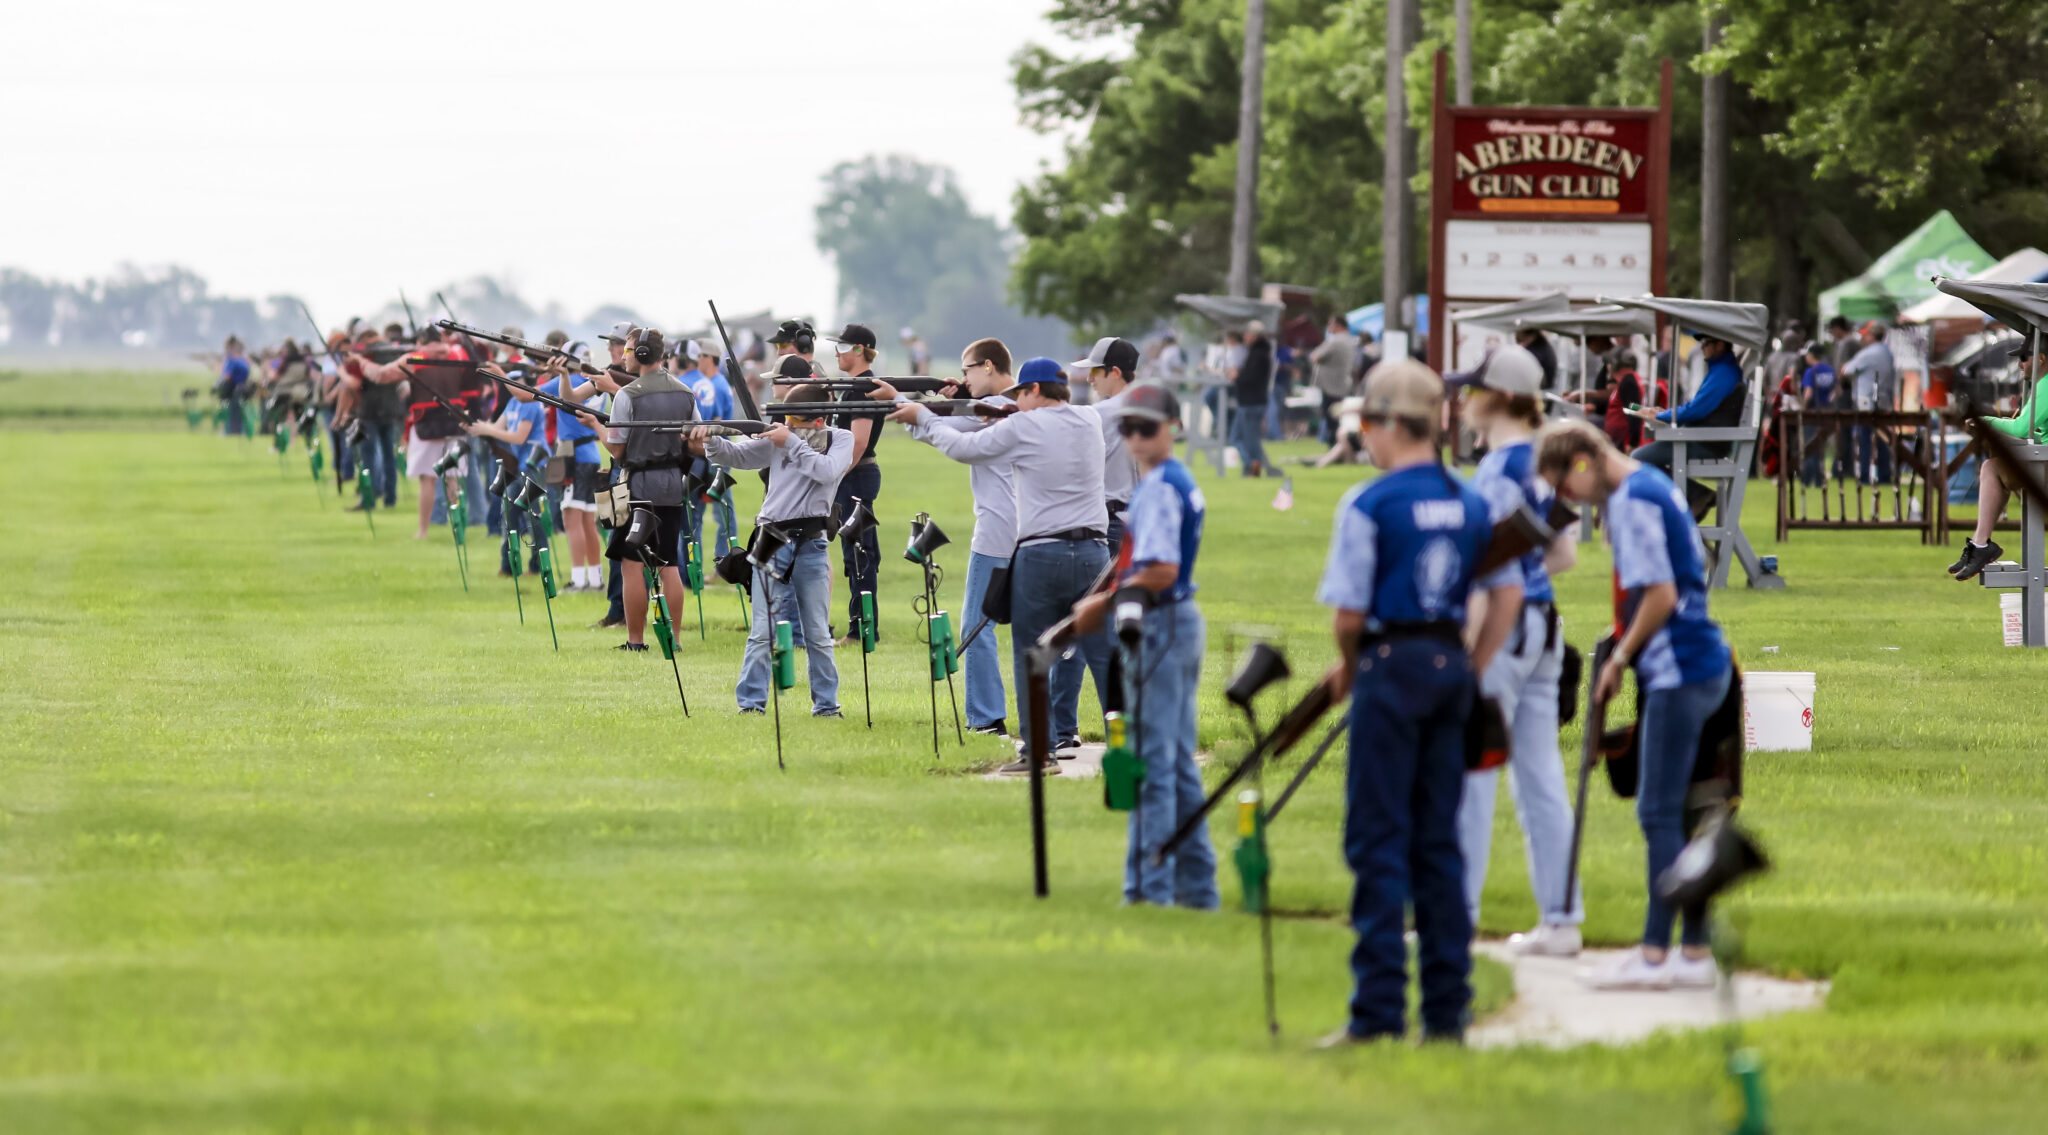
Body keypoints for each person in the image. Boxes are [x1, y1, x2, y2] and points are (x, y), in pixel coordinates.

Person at [1314, 358, 1523, 1048]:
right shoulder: (1472, 500)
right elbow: (1508, 595)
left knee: (1377, 838)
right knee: (1439, 842)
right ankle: (1446, 1011)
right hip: (1449, 668)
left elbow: (1349, 617)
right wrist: (1471, 665)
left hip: (1389, 665)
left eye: (1366, 426)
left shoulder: (1370, 503)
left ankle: (1377, 1011)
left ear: (1386, 424)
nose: (1364, 439)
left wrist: (1354, 669)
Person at [1536, 419, 1732, 991]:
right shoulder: (1653, 483)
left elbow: (1660, 595)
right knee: (1684, 815)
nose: (1569, 501)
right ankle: (1693, 951)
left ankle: (1654, 953)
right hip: (1703, 660)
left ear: (1582, 463)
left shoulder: (1630, 502)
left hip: (1678, 669)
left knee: (1659, 813)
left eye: (1564, 486)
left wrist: (1621, 658)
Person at [887, 356, 1108, 773]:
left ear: (1035, 390)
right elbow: (1033, 424)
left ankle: (1039, 753)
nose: (1017, 401)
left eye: (1021, 394)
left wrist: (923, 416)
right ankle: (1132, 746)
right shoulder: (1089, 419)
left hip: (1042, 552)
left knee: (1032, 654)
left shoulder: (1023, 426)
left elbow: (963, 448)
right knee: (1102, 654)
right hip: (1094, 553)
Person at [1450, 345, 1584, 955]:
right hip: (1544, 625)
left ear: (1499, 397)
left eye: (1473, 389)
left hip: (1504, 629)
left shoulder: (1497, 471)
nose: (1463, 400)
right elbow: (1563, 554)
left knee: (1474, 775)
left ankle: (1454, 915)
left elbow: (1490, 573)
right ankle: (1562, 918)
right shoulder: (1545, 460)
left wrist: (1468, 647)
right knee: (1540, 778)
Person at [1068, 384, 1216, 908]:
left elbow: (1161, 570)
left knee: (1150, 763)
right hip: (1177, 621)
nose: (1135, 438)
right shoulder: (1176, 479)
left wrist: (1102, 606)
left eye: (1146, 427)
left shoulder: (1157, 488)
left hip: (1160, 623)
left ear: (1173, 426)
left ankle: (1148, 893)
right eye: (1128, 428)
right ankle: (1197, 890)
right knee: (1175, 762)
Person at [692, 383, 854, 717]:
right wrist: (711, 439)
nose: (789, 424)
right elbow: (736, 456)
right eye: (787, 419)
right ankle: (751, 704)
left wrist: (790, 442)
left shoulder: (839, 439)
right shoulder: (781, 438)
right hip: (771, 538)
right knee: (762, 630)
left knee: (817, 632)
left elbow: (826, 472)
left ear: (819, 420)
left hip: (812, 542)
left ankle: (827, 706)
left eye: (795, 420)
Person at [887, 338, 1018, 735]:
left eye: (967, 370)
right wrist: (951, 402)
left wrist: (903, 402)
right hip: (1030, 530)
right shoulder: (1017, 407)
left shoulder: (997, 409)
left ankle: (986, 718)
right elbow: (941, 429)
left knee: (976, 627)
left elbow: (948, 437)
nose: (964, 377)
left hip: (996, 532)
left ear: (989, 366)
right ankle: (1055, 726)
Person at [602, 328, 696, 652]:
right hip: (672, 485)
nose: (624, 356)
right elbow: (695, 439)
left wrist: (597, 428)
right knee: (668, 564)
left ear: (641, 354)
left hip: (639, 485)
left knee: (632, 564)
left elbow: (617, 450)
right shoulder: (686, 393)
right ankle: (675, 640)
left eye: (628, 350)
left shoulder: (627, 395)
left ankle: (636, 641)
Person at [1949, 339, 2048, 581]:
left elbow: (2021, 428)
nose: (2019, 364)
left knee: (1991, 468)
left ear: (2042, 358)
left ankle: (1981, 545)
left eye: (2023, 358)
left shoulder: (2046, 385)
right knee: (1995, 468)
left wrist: (1986, 421)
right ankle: (1980, 544)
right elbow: (2034, 432)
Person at [1623, 333, 1747, 517]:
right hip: (1704, 438)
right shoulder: (1723, 370)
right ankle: (1695, 494)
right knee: (1642, 458)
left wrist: (1661, 415)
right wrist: (1663, 414)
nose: (1701, 348)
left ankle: (1695, 494)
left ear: (1720, 344)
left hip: (1706, 442)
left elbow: (1695, 410)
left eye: (1706, 343)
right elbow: (1696, 407)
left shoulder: (1723, 373)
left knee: (1638, 458)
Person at [827, 323, 886, 645]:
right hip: (854, 475)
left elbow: (858, 442)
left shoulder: (862, 388)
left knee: (860, 555)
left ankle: (862, 631)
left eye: (843, 347)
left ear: (859, 350)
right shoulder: (856, 387)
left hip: (856, 475)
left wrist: (833, 473)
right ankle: (861, 628)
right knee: (857, 554)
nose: (837, 353)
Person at [537, 342, 607, 592]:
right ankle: (596, 578)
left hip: (574, 456)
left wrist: (504, 375)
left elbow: (525, 394)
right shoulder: (594, 382)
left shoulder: (567, 382)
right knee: (587, 521)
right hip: (591, 454)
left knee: (571, 519)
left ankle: (578, 580)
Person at [685, 341, 738, 559]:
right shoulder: (715, 383)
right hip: (713, 453)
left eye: (699, 356)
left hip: (715, 455)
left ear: (709, 358)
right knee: (719, 509)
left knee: (722, 510)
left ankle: (726, 559)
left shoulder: (715, 385)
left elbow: (716, 422)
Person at [1844, 321, 1898, 484]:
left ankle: (1864, 475)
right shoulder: (1888, 353)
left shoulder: (1867, 353)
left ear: (1872, 336)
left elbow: (1847, 370)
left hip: (1866, 402)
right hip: (1884, 401)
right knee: (1883, 439)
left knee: (1864, 440)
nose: (1863, 338)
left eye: (1865, 335)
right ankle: (1885, 475)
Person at [1310, 314, 1360, 446]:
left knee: (1332, 419)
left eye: (1330, 324)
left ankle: (1335, 446)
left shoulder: (1334, 341)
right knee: (1342, 418)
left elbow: (1316, 356)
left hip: (1331, 386)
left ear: (1338, 326)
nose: (1328, 327)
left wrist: (1314, 354)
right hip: (1344, 384)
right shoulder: (1351, 340)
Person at [1232, 321, 1273, 477]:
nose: (1244, 336)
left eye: (1247, 333)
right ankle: (1250, 464)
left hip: (1252, 402)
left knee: (1249, 438)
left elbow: (1251, 378)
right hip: (1248, 402)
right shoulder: (1257, 352)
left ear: (1254, 335)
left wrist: (1237, 376)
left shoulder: (1258, 354)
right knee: (1237, 437)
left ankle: (1253, 465)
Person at [1797, 341, 1839, 487]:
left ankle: (1807, 478)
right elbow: (1837, 391)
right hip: (1826, 411)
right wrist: (1828, 400)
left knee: (1810, 445)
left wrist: (1803, 409)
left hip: (1812, 412)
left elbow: (1808, 393)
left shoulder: (1810, 371)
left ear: (1811, 355)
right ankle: (1819, 479)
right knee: (1821, 445)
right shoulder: (1830, 370)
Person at [218, 337, 252, 437]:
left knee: (232, 411)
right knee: (240, 411)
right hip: (243, 389)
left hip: (234, 389)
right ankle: (241, 431)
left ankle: (232, 431)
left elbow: (227, 376)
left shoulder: (232, 360)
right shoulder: (244, 360)